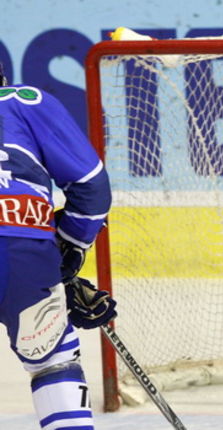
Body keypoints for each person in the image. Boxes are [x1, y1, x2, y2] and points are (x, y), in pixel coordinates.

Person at [0, 68, 115, 429]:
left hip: (24, 244)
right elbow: (91, 188)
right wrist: (66, 253)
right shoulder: (22, 101)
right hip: (22, 246)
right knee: (52, 362)